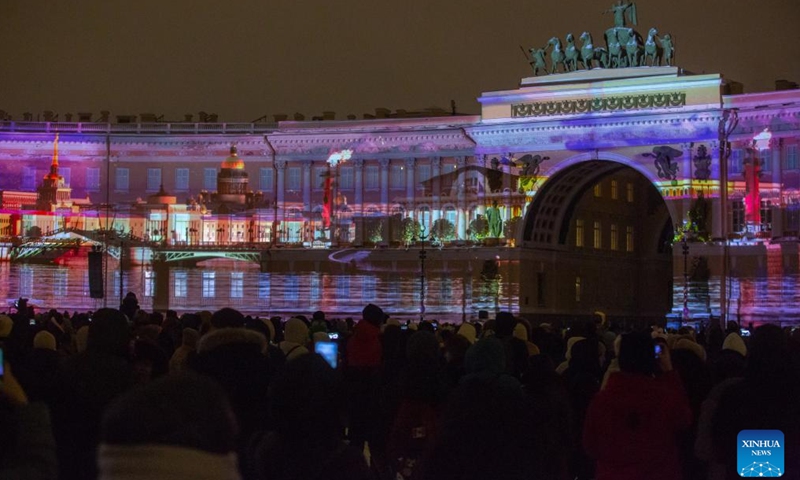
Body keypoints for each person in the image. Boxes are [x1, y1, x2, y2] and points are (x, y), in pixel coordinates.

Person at [583, 331, 692, 480]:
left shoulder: (602, 400)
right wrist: (669, 373)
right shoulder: (663, 398)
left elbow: (591, 446)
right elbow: (683, 420)